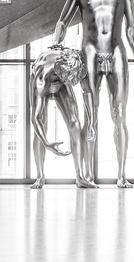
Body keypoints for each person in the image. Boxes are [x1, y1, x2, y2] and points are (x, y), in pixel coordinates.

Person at [52, 0, 134, 187]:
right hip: (89, 53)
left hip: (116, 53)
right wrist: (54, 46)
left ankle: (122, 174)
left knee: (119, 115)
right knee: (90, 116)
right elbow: (62, 21)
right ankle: (87, 175)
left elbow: (131, 26)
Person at [29, 45, 96, 189]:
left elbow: (87, 92)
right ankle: (40, 176)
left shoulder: (77, 64)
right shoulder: (43, 74)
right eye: (70, 78)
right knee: (41, 124)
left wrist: (91, 122)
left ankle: (80, 177)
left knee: (75, 124)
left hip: (61, 82)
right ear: (61, 70)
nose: (73, 82)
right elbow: (35, 118)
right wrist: (47, 143)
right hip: (44, 80)